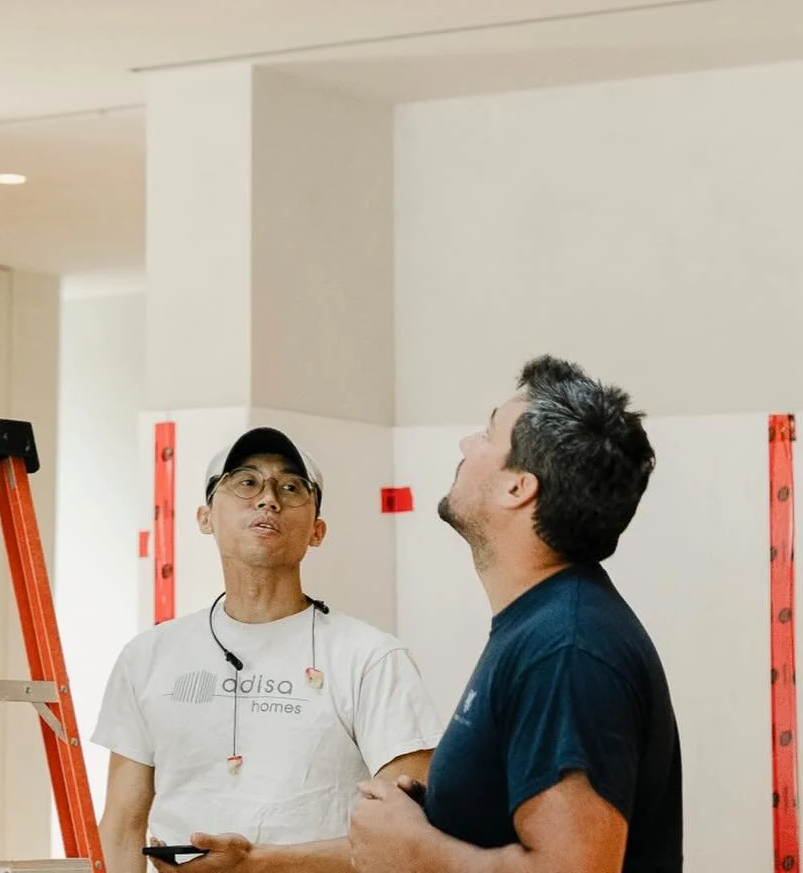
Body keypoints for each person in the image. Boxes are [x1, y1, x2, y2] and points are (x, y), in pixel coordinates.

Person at [350, 356, 682, 873]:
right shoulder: (543, 625)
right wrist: (258, 862)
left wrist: (413, 852)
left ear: (518, 487)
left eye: (487, 435)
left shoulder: (566, 648)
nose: (466, 445)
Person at [94, 426, 440, 871]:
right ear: (205, 517)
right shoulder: (147, 657)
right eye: (246, 482)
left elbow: (411, 836)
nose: (268, 499)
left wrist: (257, 863)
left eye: (291, 487)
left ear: (317, 530)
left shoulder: (371, 658)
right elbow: (122, 827)